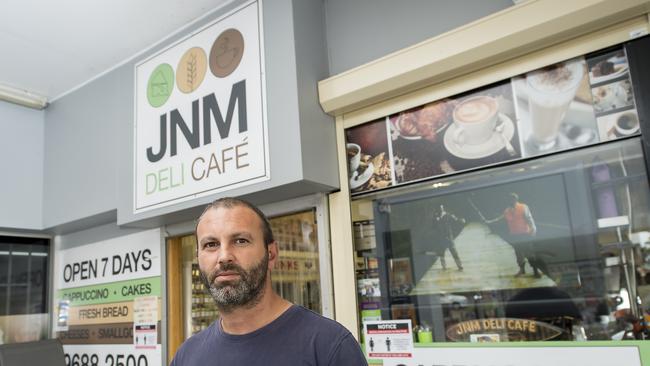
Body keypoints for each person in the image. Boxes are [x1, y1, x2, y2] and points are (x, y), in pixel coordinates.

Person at [171, 197, 368, 365]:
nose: (224, 256)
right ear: (199, 258)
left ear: (271, 254)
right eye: (211, 244)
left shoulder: (329, 346)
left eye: (240, 241)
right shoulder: (186, 356)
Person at [486, 193, 539, 277]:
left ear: (515, 199)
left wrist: (533, 228)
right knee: (518, 254)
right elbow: (501, 218)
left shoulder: (523, 207)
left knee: (529, 253)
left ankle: (535, 271)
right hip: (515, 235)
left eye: (511, 199)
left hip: (525, 234)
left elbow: (529, 218)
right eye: (508, 200)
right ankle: (522, 270)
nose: (510, 201)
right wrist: (490, 221)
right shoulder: (507, 211)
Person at [433, 204, 465, 271]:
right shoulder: (436, 216)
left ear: (443, 208)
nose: (440, 209)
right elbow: (434, 226)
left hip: (448, 237)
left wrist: (461, 220)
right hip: (441, 238)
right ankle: (444, 267)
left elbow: (455, 219)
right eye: (439, 208)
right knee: (441, 253)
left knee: (454, 251)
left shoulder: (448, 215)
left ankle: (460, 266)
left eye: (441, 208)